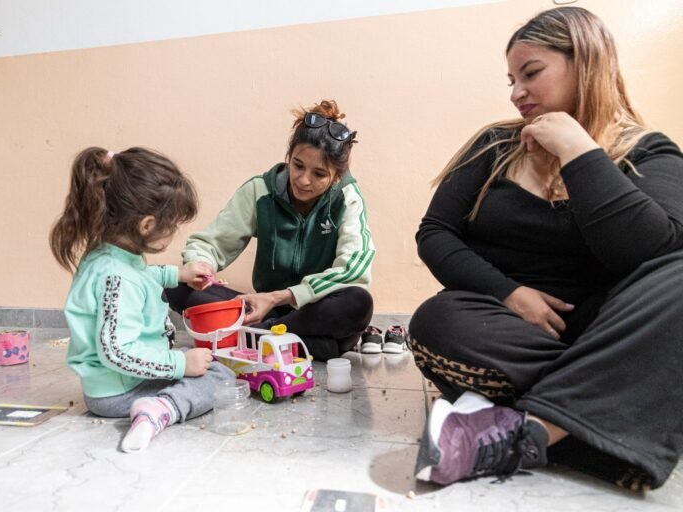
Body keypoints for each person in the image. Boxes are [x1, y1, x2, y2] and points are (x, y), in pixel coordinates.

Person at [408, 6, 683, 491]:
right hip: (512, 331)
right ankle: (610, 420)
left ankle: (529, 432)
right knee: (438, 320)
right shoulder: (494, 146)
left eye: (531, 73)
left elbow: (650, 253)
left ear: (587, 62)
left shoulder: (650, 152)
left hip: (611, 328)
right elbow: (435, 233)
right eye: (511, 79)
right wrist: (511, 293)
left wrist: (579, 151)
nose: (516, 93)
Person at [50, 147, 235, 453]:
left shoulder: (110, 256)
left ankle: (159, 401)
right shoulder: (117, 277)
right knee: (219, 376)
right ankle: (161, 409)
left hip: (115, 384)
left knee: (203, 365)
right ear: (147, 225)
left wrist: (178, 274)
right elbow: (117, 352)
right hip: (119, 390)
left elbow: (141, 275)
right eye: (172, 226)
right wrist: (179, 364)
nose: (173, 232)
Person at [165, 100, 376, 361]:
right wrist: (201, 266)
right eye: (298, 165)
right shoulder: (260, 190)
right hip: (262, 310)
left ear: (335, 177)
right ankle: (304, 346)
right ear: (288, 157)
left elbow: (354, 268)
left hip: (311, 312)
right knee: (177, 286)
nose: (303, 179)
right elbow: (210, 243)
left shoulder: (347, 197)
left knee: (358, 302)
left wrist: (279, 297)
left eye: (319, 173)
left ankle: (254, 338)